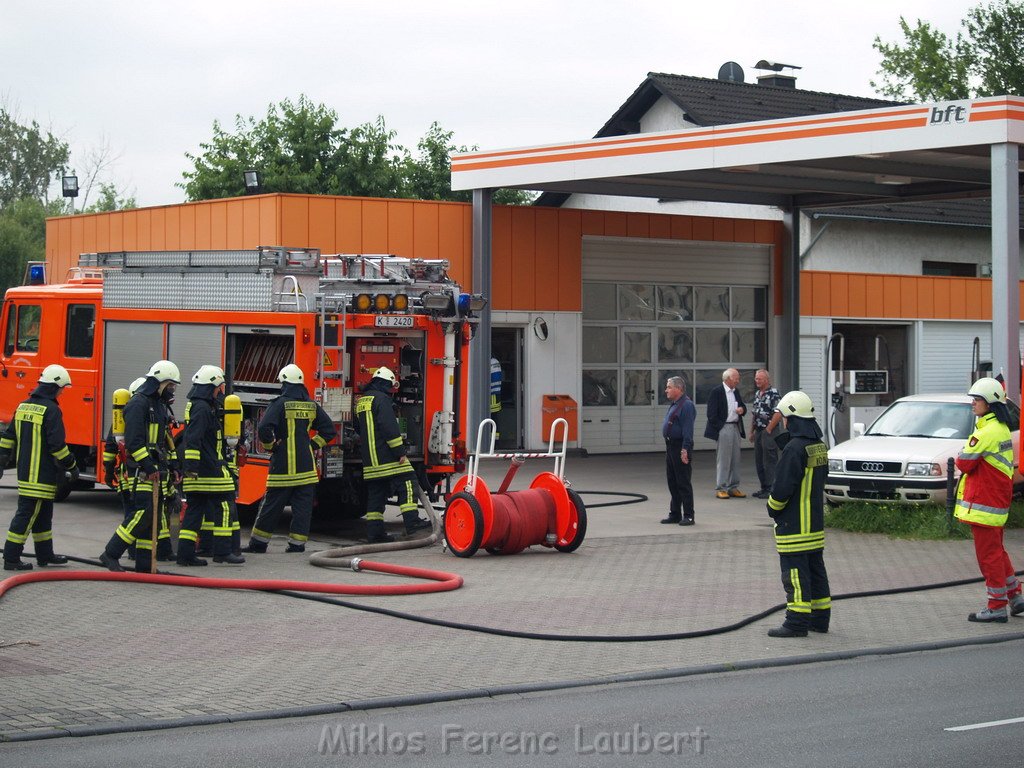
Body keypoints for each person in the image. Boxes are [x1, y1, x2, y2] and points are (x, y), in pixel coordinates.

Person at [98, 360, 180, 573]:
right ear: (160, 383)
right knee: (143, 513)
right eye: (170, 385)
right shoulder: (138, 404)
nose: (172, 389)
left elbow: (163, 440)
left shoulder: (158, 406)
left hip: (154, 469)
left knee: (151, 519)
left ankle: (145, 565)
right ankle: (111, 553)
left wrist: (171, 467)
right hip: (140, 471)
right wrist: (149, 466)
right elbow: (134, 442)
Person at [244, 364, 335, 554]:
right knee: (302, 509)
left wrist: (271, 447)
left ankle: (259, 544)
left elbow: (264, 429)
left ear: (284, 383)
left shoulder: (279, 404)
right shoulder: (311, 405)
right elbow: (329, 431)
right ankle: (297, 545)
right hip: (306, 470)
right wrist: (311, 445)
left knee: (271, 507)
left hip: (283, 469)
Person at [954, 377, 1024, 623]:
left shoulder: (987, 431)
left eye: (977, 400)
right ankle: (1015, 595)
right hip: (995, 502)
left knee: (989, 557)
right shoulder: (1000, 427)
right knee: (997, 552)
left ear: (990, 403)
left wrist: (961, 453)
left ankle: (996, 607)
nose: (973, 403)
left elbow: (964, 463)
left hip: (984, 505)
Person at [765, 391, 831, 638]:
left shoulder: (794, 449)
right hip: (814, 524)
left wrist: (772, 508)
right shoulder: (818, 446)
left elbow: (782, 488)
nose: (782, 421)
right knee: (815, 572)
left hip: (794, 526)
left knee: (794, 574)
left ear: (791, 417)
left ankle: (796, 622)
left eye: (783, 416)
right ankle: (819, 619)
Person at [0, 364, 79, 570]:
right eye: (62, 387)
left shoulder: (23, 405)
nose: (63, 391)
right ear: (54, 386)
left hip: (26, 473)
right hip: (41, 475)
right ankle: (11, 558)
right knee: (25, 516)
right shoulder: (52, 410)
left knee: (44, 516)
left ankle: (45, 555)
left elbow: (8, 438)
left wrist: (1, 461)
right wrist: (72, 465)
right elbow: (58, 446)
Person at [354, 366, 431, 543]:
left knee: (376, 496)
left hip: (370, 462)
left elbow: (358, 428)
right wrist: (400, 452)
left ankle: (375, 534)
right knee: (409, 481)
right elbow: (389, 428)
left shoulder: (362, 401)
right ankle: (412, 522)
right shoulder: (382, 400)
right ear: (386, 385)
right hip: (387, 458)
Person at [180, 365, 245, 565]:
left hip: (198, 470)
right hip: (208, 470)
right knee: (225, 505)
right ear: (211, 387)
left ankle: (185, 555)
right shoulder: (202, 408)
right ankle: (223, 552)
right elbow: (193, 438)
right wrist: (192, 466)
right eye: (219, 388)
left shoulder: (199, 405)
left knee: (194, 512)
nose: (220, 392)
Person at [102, 376, 147, 561]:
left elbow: (110, 448)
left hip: (124, 478)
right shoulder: (144, 416)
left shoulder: (119, 420)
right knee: (137, 515)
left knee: (130, 514)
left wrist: (108, 470)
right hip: (137, 476)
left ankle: (135, 552)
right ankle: (134, 552)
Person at [704, 368, 746, 499]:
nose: (738, 381)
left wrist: (742, 410)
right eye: (736, 378)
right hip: (724, 427)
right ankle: (721, 487)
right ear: (727, 379)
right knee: (724, 459)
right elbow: (711, 414)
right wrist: (720, 427)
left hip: (735, 427)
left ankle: (733, 486)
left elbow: (743, 407)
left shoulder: (736, 392)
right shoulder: (717, 392)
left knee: (735, 458)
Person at [661, 376, 697, 526]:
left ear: (678, 389)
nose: (666, 390)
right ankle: (675, 513)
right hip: (670, 446)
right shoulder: (675, 404)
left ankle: (688, 515)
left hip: (679, 446)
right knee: (672, 482)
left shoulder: (687, 405)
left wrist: (685, 450)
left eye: (669, 387)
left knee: (683, 482)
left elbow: (688, 430)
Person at [749, 369, 782, 499]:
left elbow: (778, 412)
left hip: (769, 431)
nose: (757, 381)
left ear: (767, 380)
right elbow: (754, 413)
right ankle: (764, 487)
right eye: (756, 379)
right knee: (759, 460)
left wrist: (769, 429)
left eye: (760, 379)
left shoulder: (774, 393)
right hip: (758, 430)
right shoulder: (758, 393)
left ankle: (771, 488)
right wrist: (751, 431)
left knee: (770, 459)